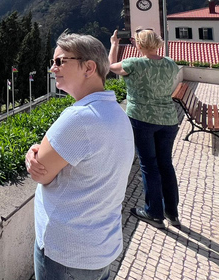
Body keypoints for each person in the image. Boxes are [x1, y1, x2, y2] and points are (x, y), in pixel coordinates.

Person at [25, 33, 134, 280]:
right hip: (99, 247)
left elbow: (40, 172)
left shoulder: (79, 119)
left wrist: (31, 154)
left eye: (61, 61)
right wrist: (38, 150)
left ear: (89, 67)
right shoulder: (116, 113)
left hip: (66, 253)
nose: (53, 68)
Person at [109, 27, 181, 229]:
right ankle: (172, 212)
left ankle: (154, 212)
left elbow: (110, 66)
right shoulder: (170, 64)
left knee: (149, 165)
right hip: (168, 120)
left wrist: (114, 44)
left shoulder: (134, 64)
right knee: (166, 164)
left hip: (142, 119)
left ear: (138, 45)